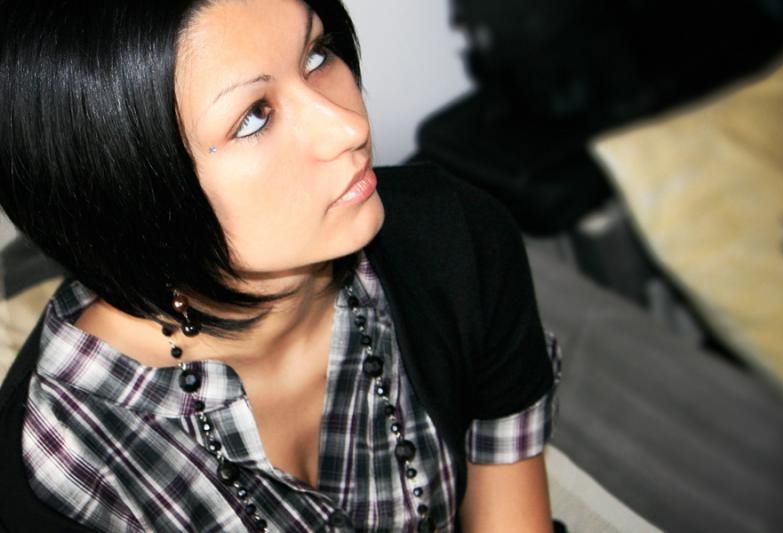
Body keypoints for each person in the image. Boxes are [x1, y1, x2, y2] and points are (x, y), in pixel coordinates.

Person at [0, 0, 559, 531]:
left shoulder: (455, 239)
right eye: (253, 118)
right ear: (128, 194)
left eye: (316, 56)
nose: (349, 127)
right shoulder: (66, 471)